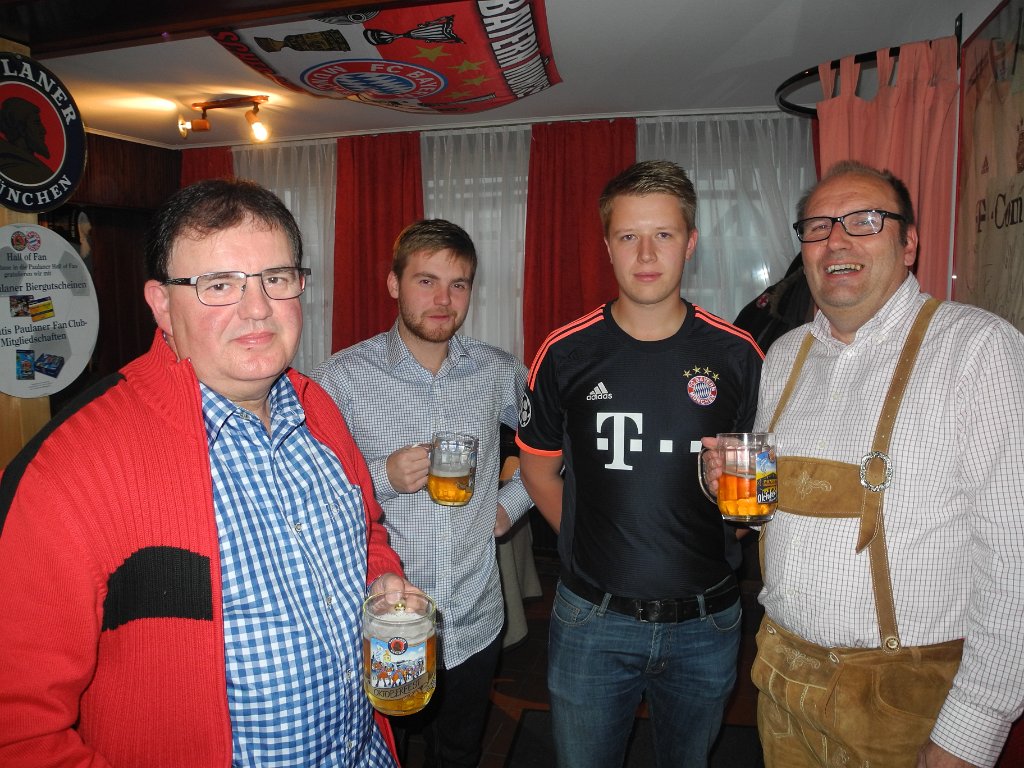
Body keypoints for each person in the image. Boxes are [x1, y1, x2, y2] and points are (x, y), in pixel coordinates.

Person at [0, 178, 416, 767]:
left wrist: (382, 579)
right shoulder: (69, 470)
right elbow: (19, 733)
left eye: (276, 278)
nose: (257, 308)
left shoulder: (318, 409)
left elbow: (366, 531)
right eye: (218, 285)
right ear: (161, 305)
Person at [724, 160, 1024, 768]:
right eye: (818, 227)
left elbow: (1014, 556)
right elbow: (771, 512)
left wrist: (972, 730)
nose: (836, 240)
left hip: (906, 702)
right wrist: (731, 493)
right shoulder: (784, 355)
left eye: (864, 220)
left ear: (909, 244)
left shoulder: (978, 348)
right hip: (781, 678)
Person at [516, 160, 765, 768]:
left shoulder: (738, 355)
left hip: (708, 624)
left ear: (691, 243)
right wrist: (586, 540)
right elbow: (537, 470)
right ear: (607, 246)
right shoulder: (564, 351)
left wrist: (726, 522)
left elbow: (755, 491)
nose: (646, 254)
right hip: (591, 622)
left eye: (664, 235)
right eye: (629, 236)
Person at [312, 219, 533, 768]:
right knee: (374, 752)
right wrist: (382, 475)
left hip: (473, 618)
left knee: (458, 752)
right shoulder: (340, 379)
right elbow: (307, 489)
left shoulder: (497, 370)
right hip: (382, 622)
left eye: (458, 284)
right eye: (426, 281)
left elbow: (556, 443)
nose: (443, 300)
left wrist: (511, 504)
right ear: (394, 284)